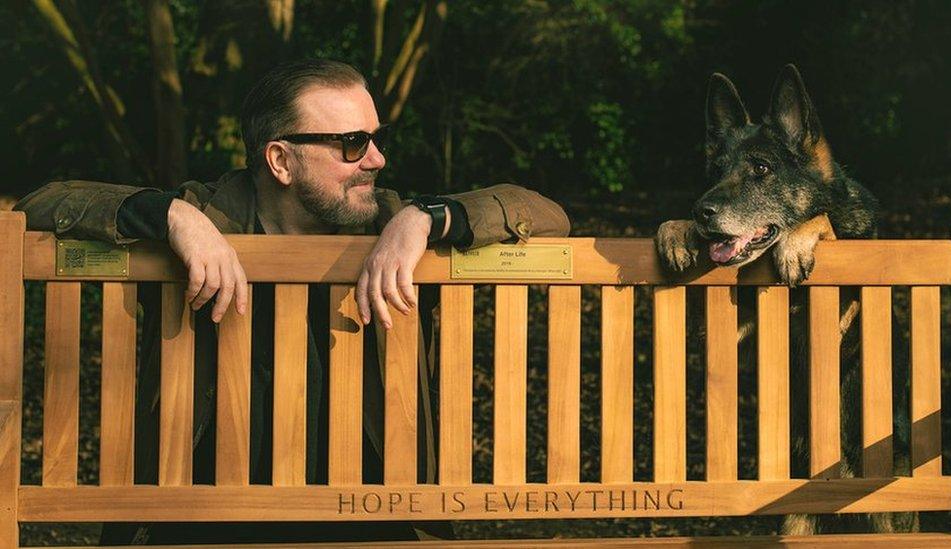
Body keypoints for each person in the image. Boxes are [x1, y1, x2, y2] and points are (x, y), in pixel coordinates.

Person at [15, 59, 570, 544]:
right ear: (280, 161)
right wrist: (171, 216)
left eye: (378, 139)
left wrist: (427, 216)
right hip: (196, 522)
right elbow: (44, 202)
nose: (376, 159)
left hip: (371, 522)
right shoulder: (204, 216)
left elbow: (544, 213)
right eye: (353, 143)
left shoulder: (394, 222)